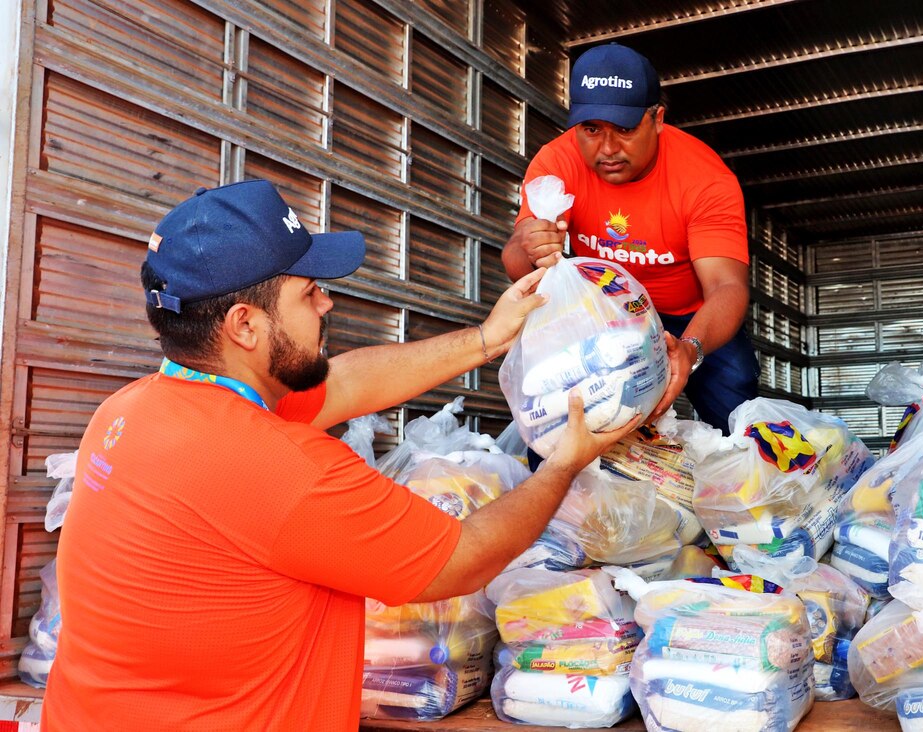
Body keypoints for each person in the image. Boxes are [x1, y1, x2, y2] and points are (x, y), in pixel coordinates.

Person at [41, 180, 639, 731]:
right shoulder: (283, 467)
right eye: (309, 293)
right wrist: (564, 462)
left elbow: (345, 384)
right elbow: (463, 558)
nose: (325, 305)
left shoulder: (129, 409)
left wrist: (488, 338)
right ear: (244, 325)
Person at [503, 42, 759, 439]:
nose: (606, 149)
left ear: (657, 118)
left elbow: (727, 287)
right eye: (591, 130)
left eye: (624, 129)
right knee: (560, 426)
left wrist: (689, 349)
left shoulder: (705, 178)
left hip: (690, 314)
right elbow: (522, 272)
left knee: (738, 413)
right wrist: (527, 246)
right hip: (603, 313)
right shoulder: (557, 163)